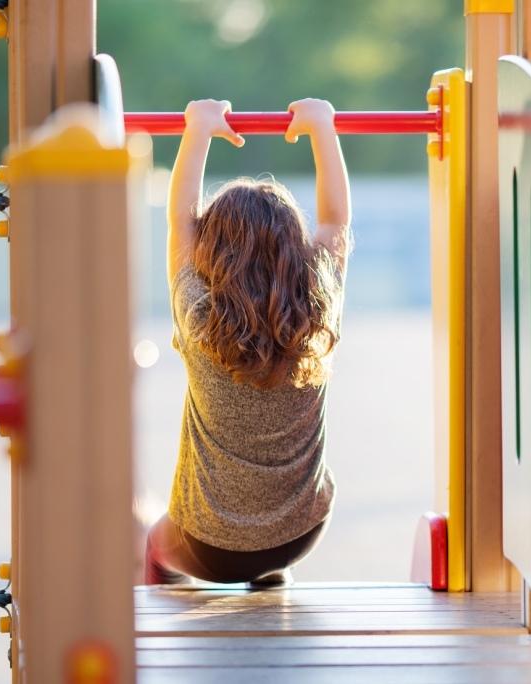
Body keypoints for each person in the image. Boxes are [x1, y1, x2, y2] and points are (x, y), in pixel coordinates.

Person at [144, 98, 350, 586]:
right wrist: (324, 128)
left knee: (152, 544)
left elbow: (180, 219)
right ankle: (270, 575)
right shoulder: (317, 307)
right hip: (303, 533)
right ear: (295, 249)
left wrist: (197, 130)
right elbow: (336, 222)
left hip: (208, 546)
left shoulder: (199, 316)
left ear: (210, 252)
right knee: (267, 546)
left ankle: (171, 627)